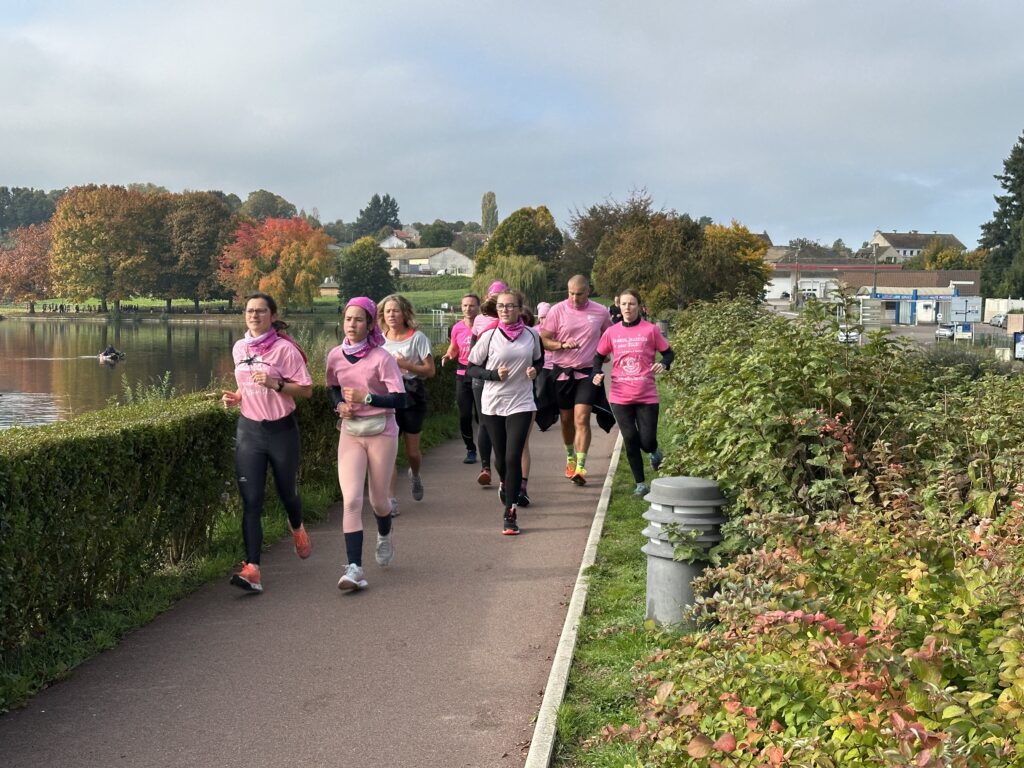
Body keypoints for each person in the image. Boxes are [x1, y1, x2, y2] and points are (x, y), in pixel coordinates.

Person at [222, 292, 313, 593]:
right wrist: (237, 396)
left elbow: (307, 390)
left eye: (261, 311)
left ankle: (296, 526)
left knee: (287, 493)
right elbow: (244, 383)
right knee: (251, 501)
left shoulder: (285, 350)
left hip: (281, 431)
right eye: (250, 311)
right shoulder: (239, 347)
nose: (254, 316)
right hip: (250, 430)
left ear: (273, 316)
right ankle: (252, 570)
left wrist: (277, 384)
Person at [326, 297, 408, 591]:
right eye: (348, 319)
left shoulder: (381, 358)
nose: (352, 325)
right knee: (350, 501)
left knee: (378, 500)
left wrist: (367, 398)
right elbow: (333, 388)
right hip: (351, 431)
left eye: (359, 320)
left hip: (381, 431)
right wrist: (339, 407)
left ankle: (385, 534)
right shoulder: (335, 356)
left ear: (371, 323)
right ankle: (354, 568)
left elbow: (400, 398)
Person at [467, 290, 542, 535]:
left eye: (510, 306)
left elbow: (538, 361)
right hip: (493, 404)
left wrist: (534, 371)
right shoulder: (488, 337)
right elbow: (471, 368)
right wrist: (492, 375)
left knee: (513, 457)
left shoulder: (531, 335)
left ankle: (510, 512)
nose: (505, 310)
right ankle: (503, 481)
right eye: (501, 306)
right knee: (501, 459)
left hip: (521, 402)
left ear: (520, 309)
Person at [592, 288, 674, 496]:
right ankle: (640, 484)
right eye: (624, 304)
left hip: (646, 395)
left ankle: (654, 452)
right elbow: (598, 356)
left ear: (639, 306)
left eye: (632, 304)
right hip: (620, 396)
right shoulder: (611, 332)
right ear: (619, 306)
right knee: (630, 439)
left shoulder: (650, 330)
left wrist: (663, 364)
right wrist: (596, 372)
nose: (627, 308)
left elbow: (668, 353)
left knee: (646, 441)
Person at [539, 275, 612, 486]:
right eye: (570, 293)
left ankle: (581, 466)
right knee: (566, 420)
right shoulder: (557, 310)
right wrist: (562, 345)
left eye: (579, 294)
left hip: (588, 373)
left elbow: (609, 336)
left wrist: (604, 353)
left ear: (588, 291)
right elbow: (544, 339)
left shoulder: (600, 311)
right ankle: (570, 458)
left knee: (582, 418)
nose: (574, 298)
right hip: (562, 373)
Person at [378, 293, 435, 514]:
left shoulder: (417, 338)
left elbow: (430, 371)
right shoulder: (379, 340)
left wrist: (405, 365)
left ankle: (415, 473)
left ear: (405, 313)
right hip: (388, 397)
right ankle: (391, 499)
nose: (391, 315)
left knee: (412, 452)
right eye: (387, 311)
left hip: (411, 394)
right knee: (389, 451)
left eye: (396, 310)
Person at [469, 280, 507, 486]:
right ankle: (485, 467)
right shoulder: (479, 320)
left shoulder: (514, 319)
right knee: (484, 422)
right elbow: (473, 352)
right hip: (482, 378)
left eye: (498, 298)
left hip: (505, 379)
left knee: (502, 423)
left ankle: (504, 467)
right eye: (492, 297)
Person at [441, 293, 482, 464]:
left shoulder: (485, 327)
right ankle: (470, 449)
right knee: (464, 415)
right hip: (462, 374)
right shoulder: (457, 327)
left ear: (478, 307)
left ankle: (488, 446)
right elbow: (453, 347)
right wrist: (448, 355)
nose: (468, 309)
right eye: (465, 305)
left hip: (481, 373)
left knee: (482, 416)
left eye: (471, 305)